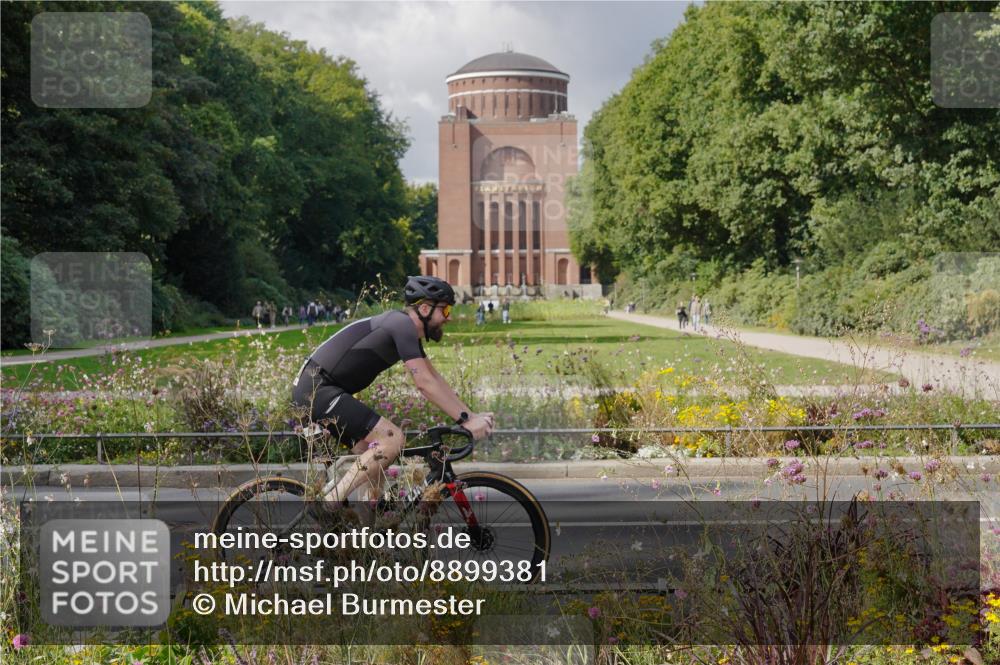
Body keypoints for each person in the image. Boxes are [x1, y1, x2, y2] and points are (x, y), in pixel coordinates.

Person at [292, 276, 494, 516]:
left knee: (374, 460)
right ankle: (328, 504)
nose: (448, 318)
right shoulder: (401, 324)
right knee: (392, 439)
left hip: (322, 390)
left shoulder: (405, 331)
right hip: (317, 389)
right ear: (426, 308)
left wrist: (470, 415)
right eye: (446, 309)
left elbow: (435, 379)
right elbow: (424, 384)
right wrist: (466, 420)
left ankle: (368, 540)